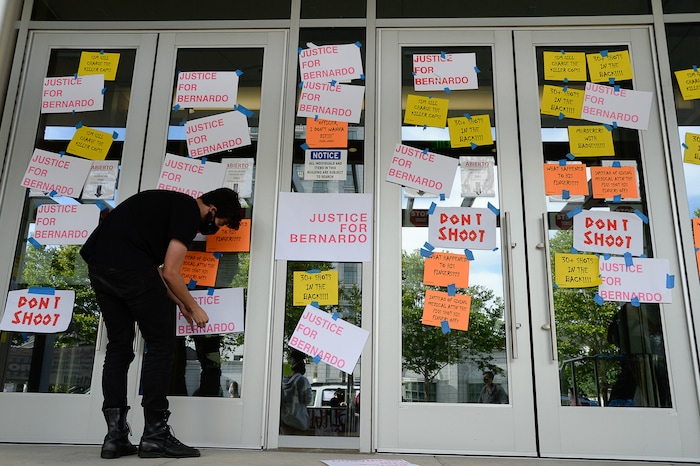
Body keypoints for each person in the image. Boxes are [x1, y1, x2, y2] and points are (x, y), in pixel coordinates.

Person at [80, 188, 241, 459]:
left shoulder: (165, 204)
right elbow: (170, 271)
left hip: (101, 267)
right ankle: (155, 435)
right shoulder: (189, 212)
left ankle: (115, 437)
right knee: (162, 344)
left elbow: (153, 271)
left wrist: (178, 302)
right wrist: (194, 306)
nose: (214, 229)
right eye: (221, 223)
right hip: (130, 268)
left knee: (119, 346)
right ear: (213, 210)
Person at [280, 349, 312, 434]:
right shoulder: (303, 381)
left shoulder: (282, 381)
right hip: (299, 420)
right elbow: (308, 400)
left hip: (284, 419)